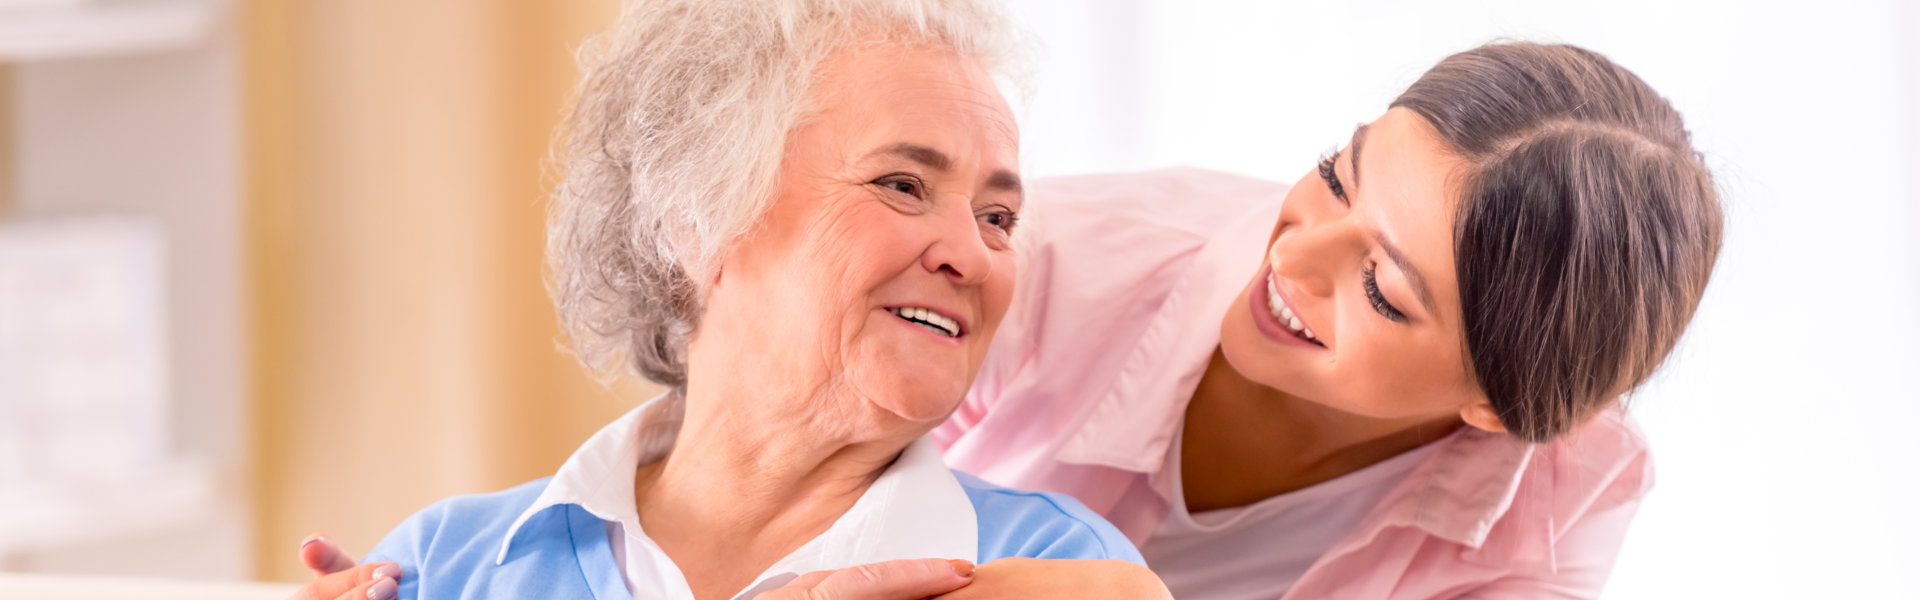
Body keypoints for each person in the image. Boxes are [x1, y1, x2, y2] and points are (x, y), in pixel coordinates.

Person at [297, 23, 1722, 600]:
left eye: (1384, 288)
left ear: (1492, 399)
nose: (1296, 260)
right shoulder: (1076, 260)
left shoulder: (1558, 494)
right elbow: (789, 411)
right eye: (1336, 180)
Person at [288, 1, 1158, 599]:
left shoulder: (1057, 571)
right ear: (699, 218)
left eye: (999, 216)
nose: (972, 254)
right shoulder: (448, 563)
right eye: (901, 183)